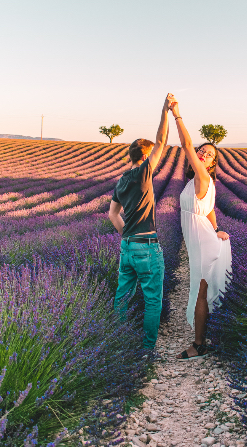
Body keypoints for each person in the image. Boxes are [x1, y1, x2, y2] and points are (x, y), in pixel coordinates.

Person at [168, 99, 232, 360]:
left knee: (200, 292)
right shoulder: (198, 180)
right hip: (202, 238)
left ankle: (199, 344)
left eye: (209, 154)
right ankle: (203, 339)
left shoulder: (203, 177)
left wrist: (177, 115)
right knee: (199, 290)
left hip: (202, 245)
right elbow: (208, 210)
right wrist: (216, 229)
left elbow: (185, 145)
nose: (204, 154)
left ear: (212, 163)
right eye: (202, 151)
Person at [108, 93, 173, 350]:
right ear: (145, 156)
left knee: (122, 298)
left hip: (127, 247)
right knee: (153, 300)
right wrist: (165, 110)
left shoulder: (121, 181)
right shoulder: (144, 172)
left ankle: (118, 345)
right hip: (146, 246)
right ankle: (147, 350)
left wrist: (127, 234)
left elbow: (112, 214)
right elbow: (162, 140)